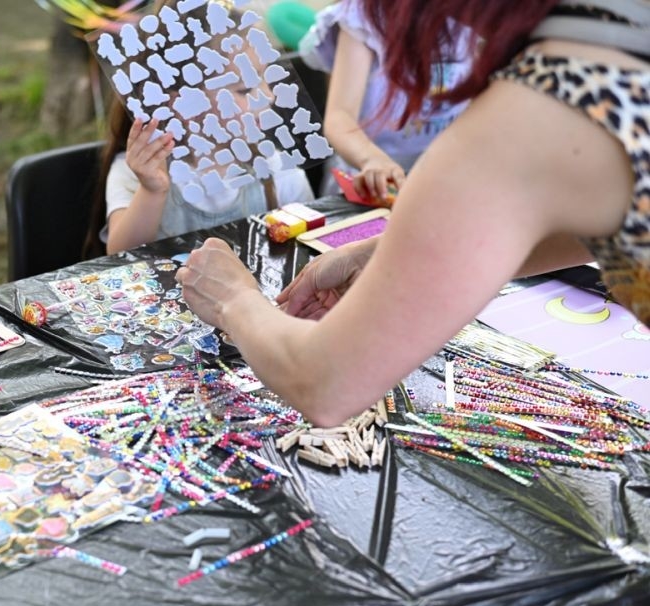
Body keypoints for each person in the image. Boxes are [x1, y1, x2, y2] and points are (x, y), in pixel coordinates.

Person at [176, 0, 650, 427]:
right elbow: (597, 227)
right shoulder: (613, 39)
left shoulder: (539, 104)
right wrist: (387, 254)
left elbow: (326, 382)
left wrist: (233, 298)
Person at [83, 0, 316, 258]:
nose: (268, 97)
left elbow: (309, 244)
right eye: (245, 89)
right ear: (185, 103)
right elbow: (120, 256)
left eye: (266, 78)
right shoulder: (137, 174)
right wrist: (151, 192)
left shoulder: (274, 167)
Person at [297, 0, 474, 201]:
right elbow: (340, 116)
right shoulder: (363, 19)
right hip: (373, 182)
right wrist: (372, 159)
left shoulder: (474, 16)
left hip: (446, 176)